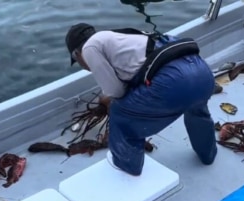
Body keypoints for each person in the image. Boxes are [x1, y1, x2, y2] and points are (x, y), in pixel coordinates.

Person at [64, 23, 217, 176]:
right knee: (196, 108)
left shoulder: (89, 48)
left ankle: (128, 169)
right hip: (202, 74)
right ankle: (208, 155)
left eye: (77, 61)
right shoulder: (125, 35)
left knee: (120, 115)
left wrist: (108, 99)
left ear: (77, 53)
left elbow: (116, 92)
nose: (83, 66)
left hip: (173, 82)